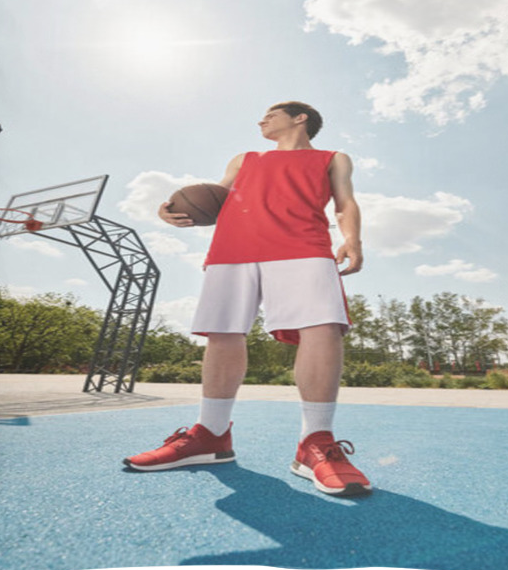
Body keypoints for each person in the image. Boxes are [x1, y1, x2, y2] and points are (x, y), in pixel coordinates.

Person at [123, 101, 371, 496]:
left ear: (299, 117)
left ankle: (315, 442)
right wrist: (169, 209)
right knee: (223, 332)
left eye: (271, 113)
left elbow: (345, 203)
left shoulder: (333, 158)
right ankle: (211, 435)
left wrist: (353, 238)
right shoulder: (246, 158)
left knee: (322, 326)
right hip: (233, 247)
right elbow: (216, 196)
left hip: (302, 245)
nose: (261, 120)